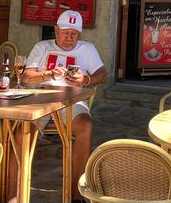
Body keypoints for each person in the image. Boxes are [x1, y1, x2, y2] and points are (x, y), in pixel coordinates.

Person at [7, 10, 107, 203]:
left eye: (74, 34)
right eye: (65, 33)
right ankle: (14, 195)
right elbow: (26, 76)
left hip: (71, 99)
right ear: (56, 30)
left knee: (85, 125)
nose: (70, 38)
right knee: (19, 132)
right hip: (41, 97)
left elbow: (102, 75)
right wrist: (48, 74)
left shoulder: (87, 49)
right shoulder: (42, 47)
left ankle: (76, 196)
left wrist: (85, 79)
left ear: (80, 34)